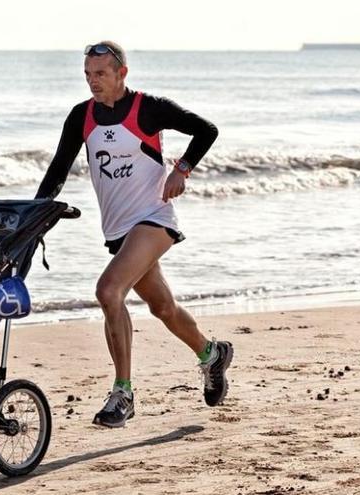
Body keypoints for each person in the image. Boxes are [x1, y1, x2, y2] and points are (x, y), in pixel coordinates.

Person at [35, 41, 233, 428]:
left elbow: (206, 130)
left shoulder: (149, 108)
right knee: (163, 308)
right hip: (118, 229)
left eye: (101, 74)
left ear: (122, 73)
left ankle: (122, 393)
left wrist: (183, 169)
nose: (93, 82)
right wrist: (34, 210)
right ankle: (212, 354)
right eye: (88, 75)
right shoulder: (82, 116)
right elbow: (59, 167)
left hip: (155, 217)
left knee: (109, 290)